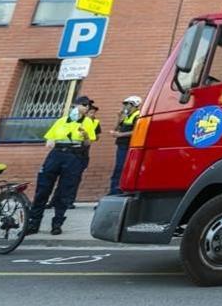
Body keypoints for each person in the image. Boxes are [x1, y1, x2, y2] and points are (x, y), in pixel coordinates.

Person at [26, 96, 95, 236]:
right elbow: (51, 136)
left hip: (74, 156)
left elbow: (88, 143)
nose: (86, 107)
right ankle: (34, 223)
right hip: (56, 154)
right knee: (43, 189)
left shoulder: (88, 122)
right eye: (84, 104)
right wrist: (50, 141)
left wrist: (86, 135)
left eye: (88, 105)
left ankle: (57, 223)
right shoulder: (61, 121)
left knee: (65, 191)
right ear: (74, 106)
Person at [108, 96, 142, 195]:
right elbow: (116, 128)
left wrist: (120, 135)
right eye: (125, 104)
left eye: (128, 104)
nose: (125, 106)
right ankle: (114, 191)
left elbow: (136, 130)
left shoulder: (137, 115)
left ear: (135, 105)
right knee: (119, 168)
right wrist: (119, 118)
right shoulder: (126, 116)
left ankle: (117, 191)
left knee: (122, 168)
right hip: (121, 145)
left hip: (128, 146)